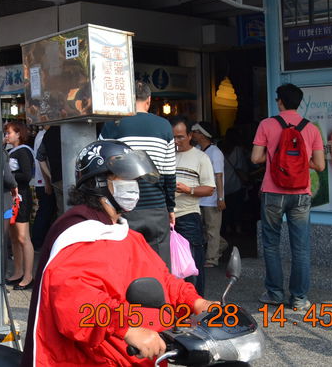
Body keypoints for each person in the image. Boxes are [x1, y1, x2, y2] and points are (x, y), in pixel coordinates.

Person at [22, 140, 211, 366]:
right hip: (91, 358)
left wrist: (197, 303)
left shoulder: (123, 233)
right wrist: (129, 329)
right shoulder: (80, 236)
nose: (134, 187)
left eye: (135, 181)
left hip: (134, 356)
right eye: (125, 179)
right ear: (99, 183)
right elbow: (76, 302)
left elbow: (161, 280)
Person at [252, 84, 325, 309]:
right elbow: (320, 165)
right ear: (299, 102)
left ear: (279, 101)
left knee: (271, 244)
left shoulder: (266, 124)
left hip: (273, 192)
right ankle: (299, 298)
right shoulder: (311, 129)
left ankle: (274, 293)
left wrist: (274, 157)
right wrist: (303, 163)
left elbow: (256, 158)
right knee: (300, 247)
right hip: (301, 193)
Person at [99, 80, 177, 267]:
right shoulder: (164, 126)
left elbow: (101, 165)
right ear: (149, 100)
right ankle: (159, 297)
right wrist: (170, 207)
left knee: (127, 263)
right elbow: (169, 174)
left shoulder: (113, 125)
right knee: (159, 266)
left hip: (123, 206)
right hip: (156, 207)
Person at [172, 116, 215, 295]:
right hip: (167, 217)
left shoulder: (201, 157)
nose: (176, 141)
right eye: (173, 137)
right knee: (171, 265)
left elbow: (209, 189)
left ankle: (197, 303)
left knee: (193, 263)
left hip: (188, 215)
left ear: (190, 135)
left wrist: (188, 189)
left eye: (180, 137)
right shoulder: (166, 156)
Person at [189, 121, 226, 267]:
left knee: (212, 229)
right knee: (205, 229)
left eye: (196, 132)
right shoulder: (198, 149)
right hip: (199, 198)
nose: (193, 134)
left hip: (211, 198)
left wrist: (221, 197)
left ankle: (212, 259)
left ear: (203, 135)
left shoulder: (215, 152)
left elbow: (219, 176)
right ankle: (220, 245)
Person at [4, 121, 35, 289]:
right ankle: (18, 271)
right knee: (14, 237)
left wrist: (9, 176)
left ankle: (28, 275)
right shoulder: (11, 151)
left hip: (21, 197)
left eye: (9, 133)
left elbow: (27, 175)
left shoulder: (23, 151)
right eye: (6, 133)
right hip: (11, 197)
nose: (6, 136)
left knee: (23, 237)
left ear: (19, 134)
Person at [31, 126, 61, 250]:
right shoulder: (45, 134)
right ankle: (39, 243)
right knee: (46, 212)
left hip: (53, 181)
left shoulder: (46, 134)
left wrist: (50, 178)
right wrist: (48, 181)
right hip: (48, 182)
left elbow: (40, 158)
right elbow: (40, 158)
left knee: (54, 213)